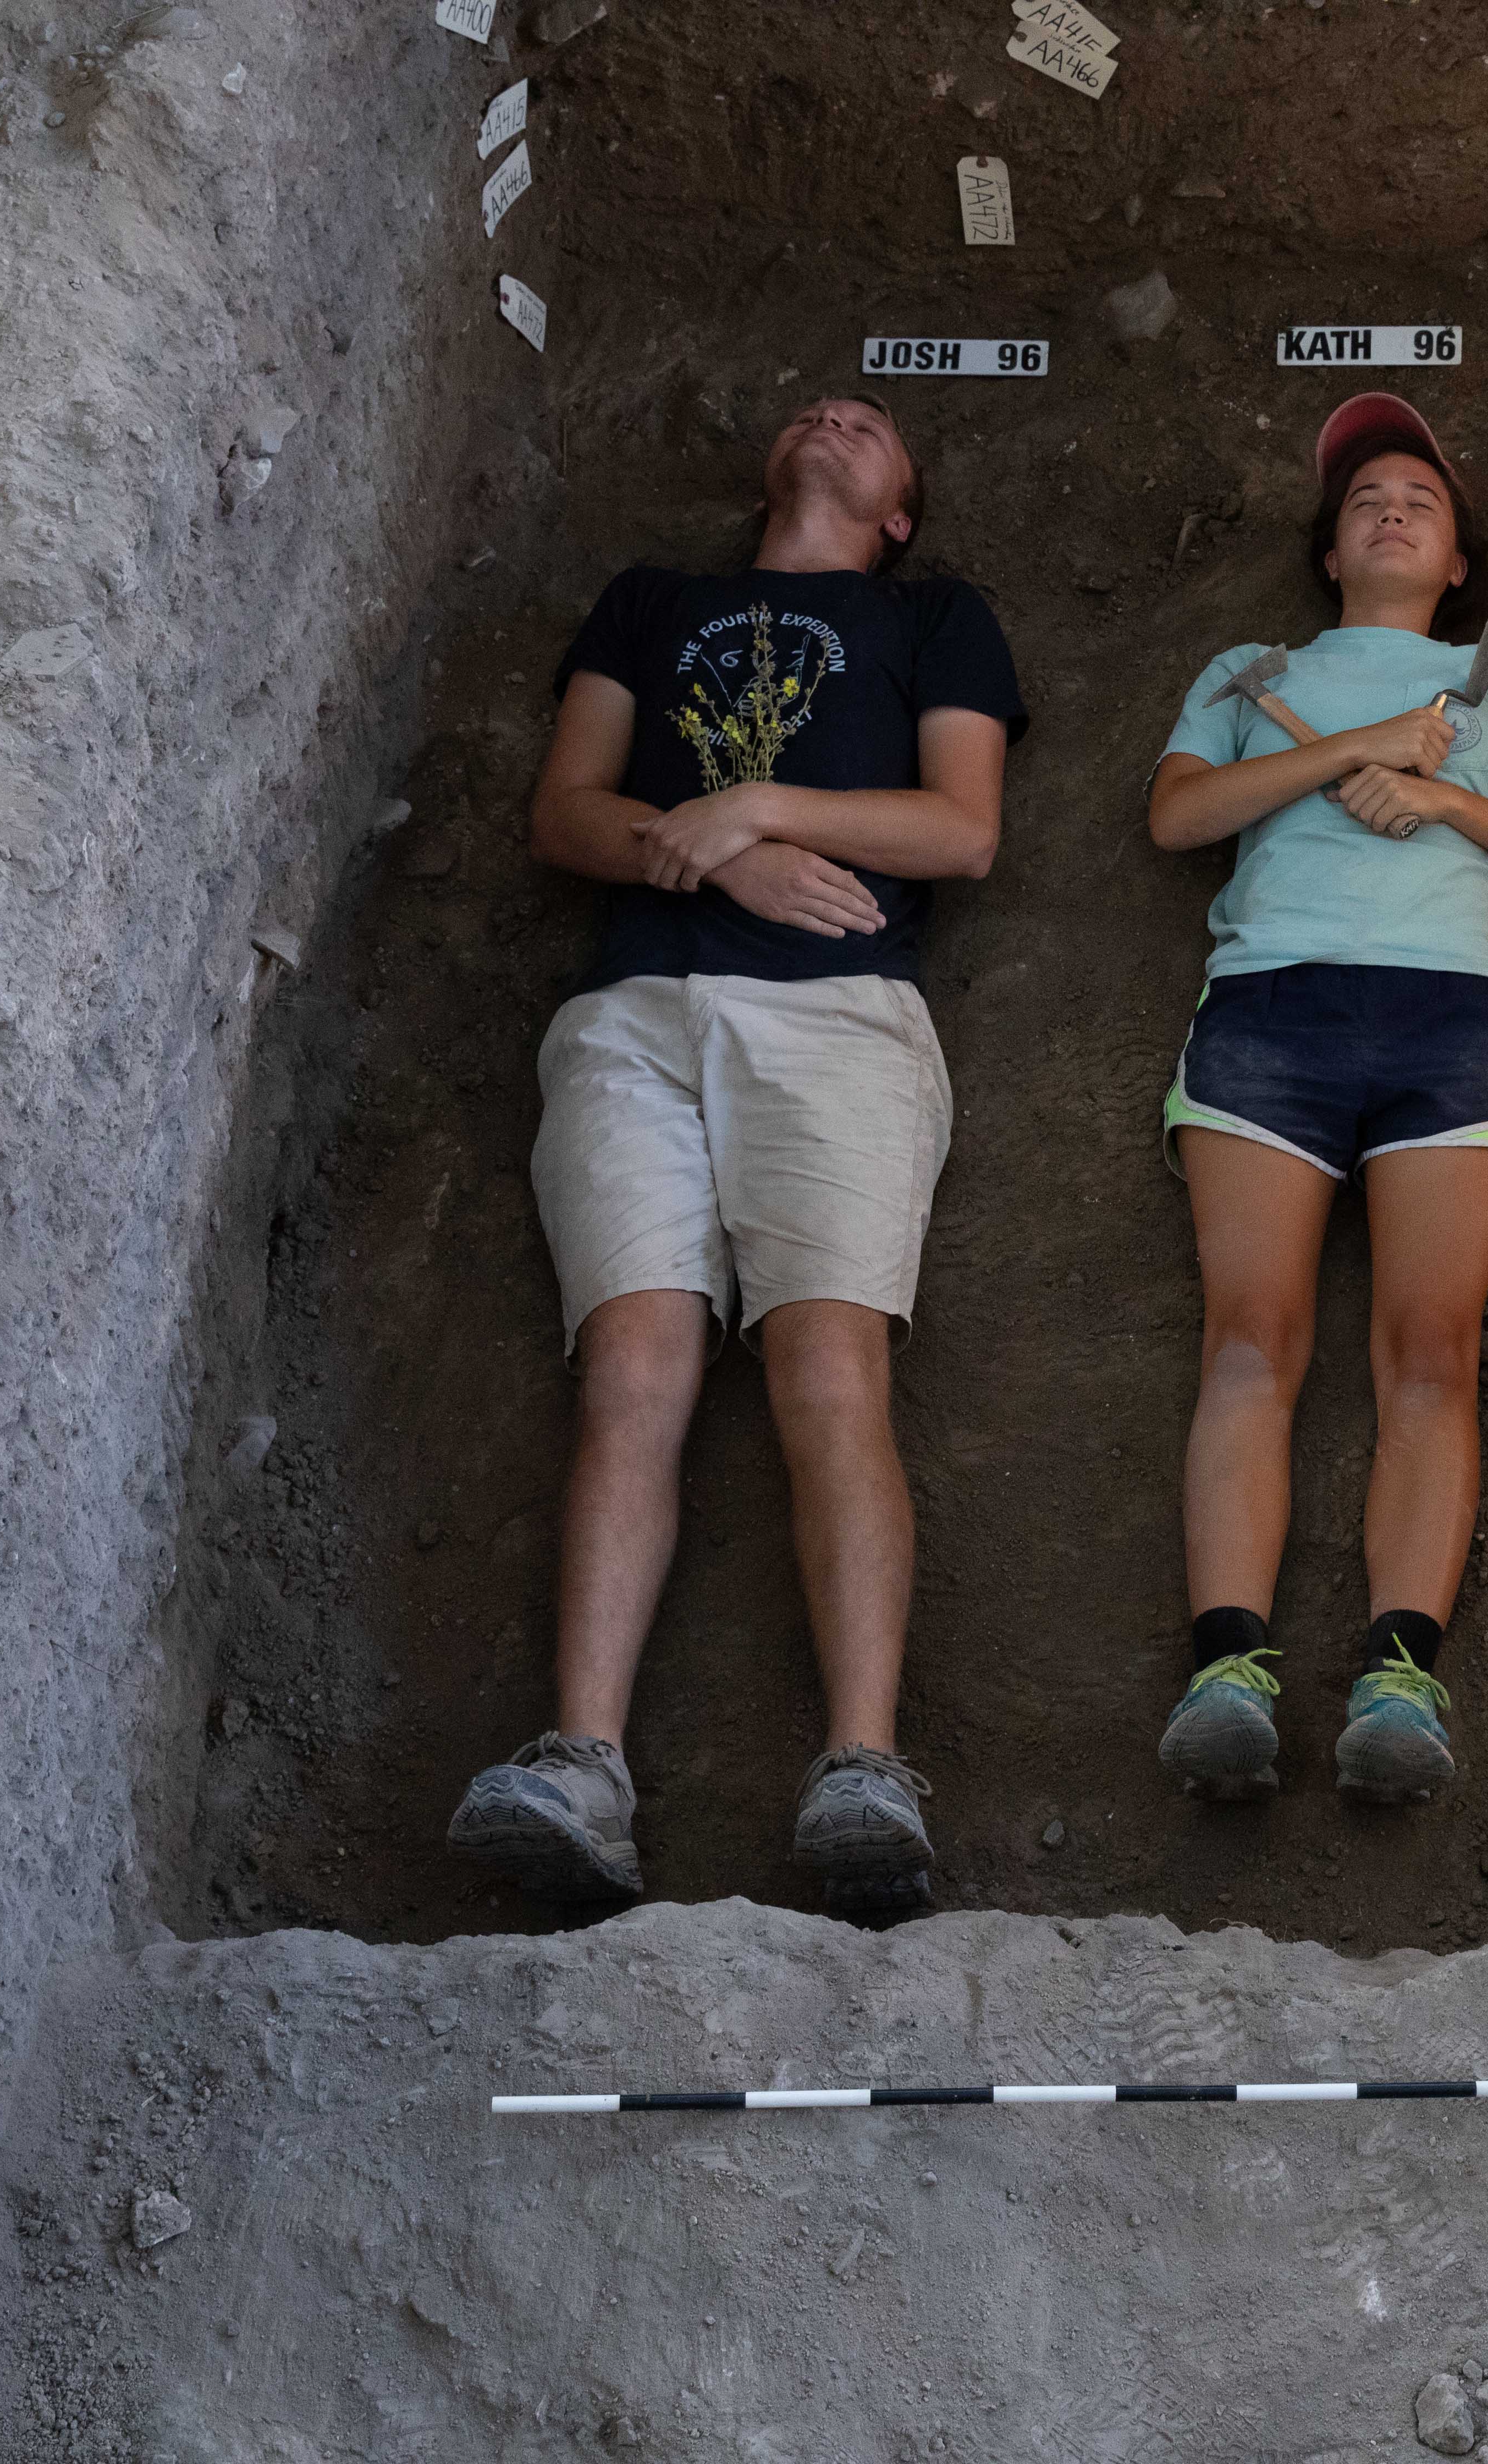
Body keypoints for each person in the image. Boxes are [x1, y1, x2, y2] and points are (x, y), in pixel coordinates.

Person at [444, 394, 1026, 1916]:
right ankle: (583, 1763)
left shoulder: (934, 615)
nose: (839, 414)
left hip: (838, 1016)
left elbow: (962, 831)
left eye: (879, 424)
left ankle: (863, 1767)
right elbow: (565, 810)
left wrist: (754, 805)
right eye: (819, 407)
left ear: (902, 508)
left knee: (827, 1368)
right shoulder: (656, 603)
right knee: (636, 1367)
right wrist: (726, 858)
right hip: (633, 1010)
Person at [1143, 393, 1488, 1805]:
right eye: (1365, 499)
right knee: (1251, 1340)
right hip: (1272, 1004)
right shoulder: (1251, 668)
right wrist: (1363, 758)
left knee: (1433, 1348)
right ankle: (1228, 1665)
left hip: (1452, 1016)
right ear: (1334, 549)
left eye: (1421, 496)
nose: (1393, 507)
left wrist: (1457, 799)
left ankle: (1400, 1675)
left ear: (1458, 558)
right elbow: (1179, 816)